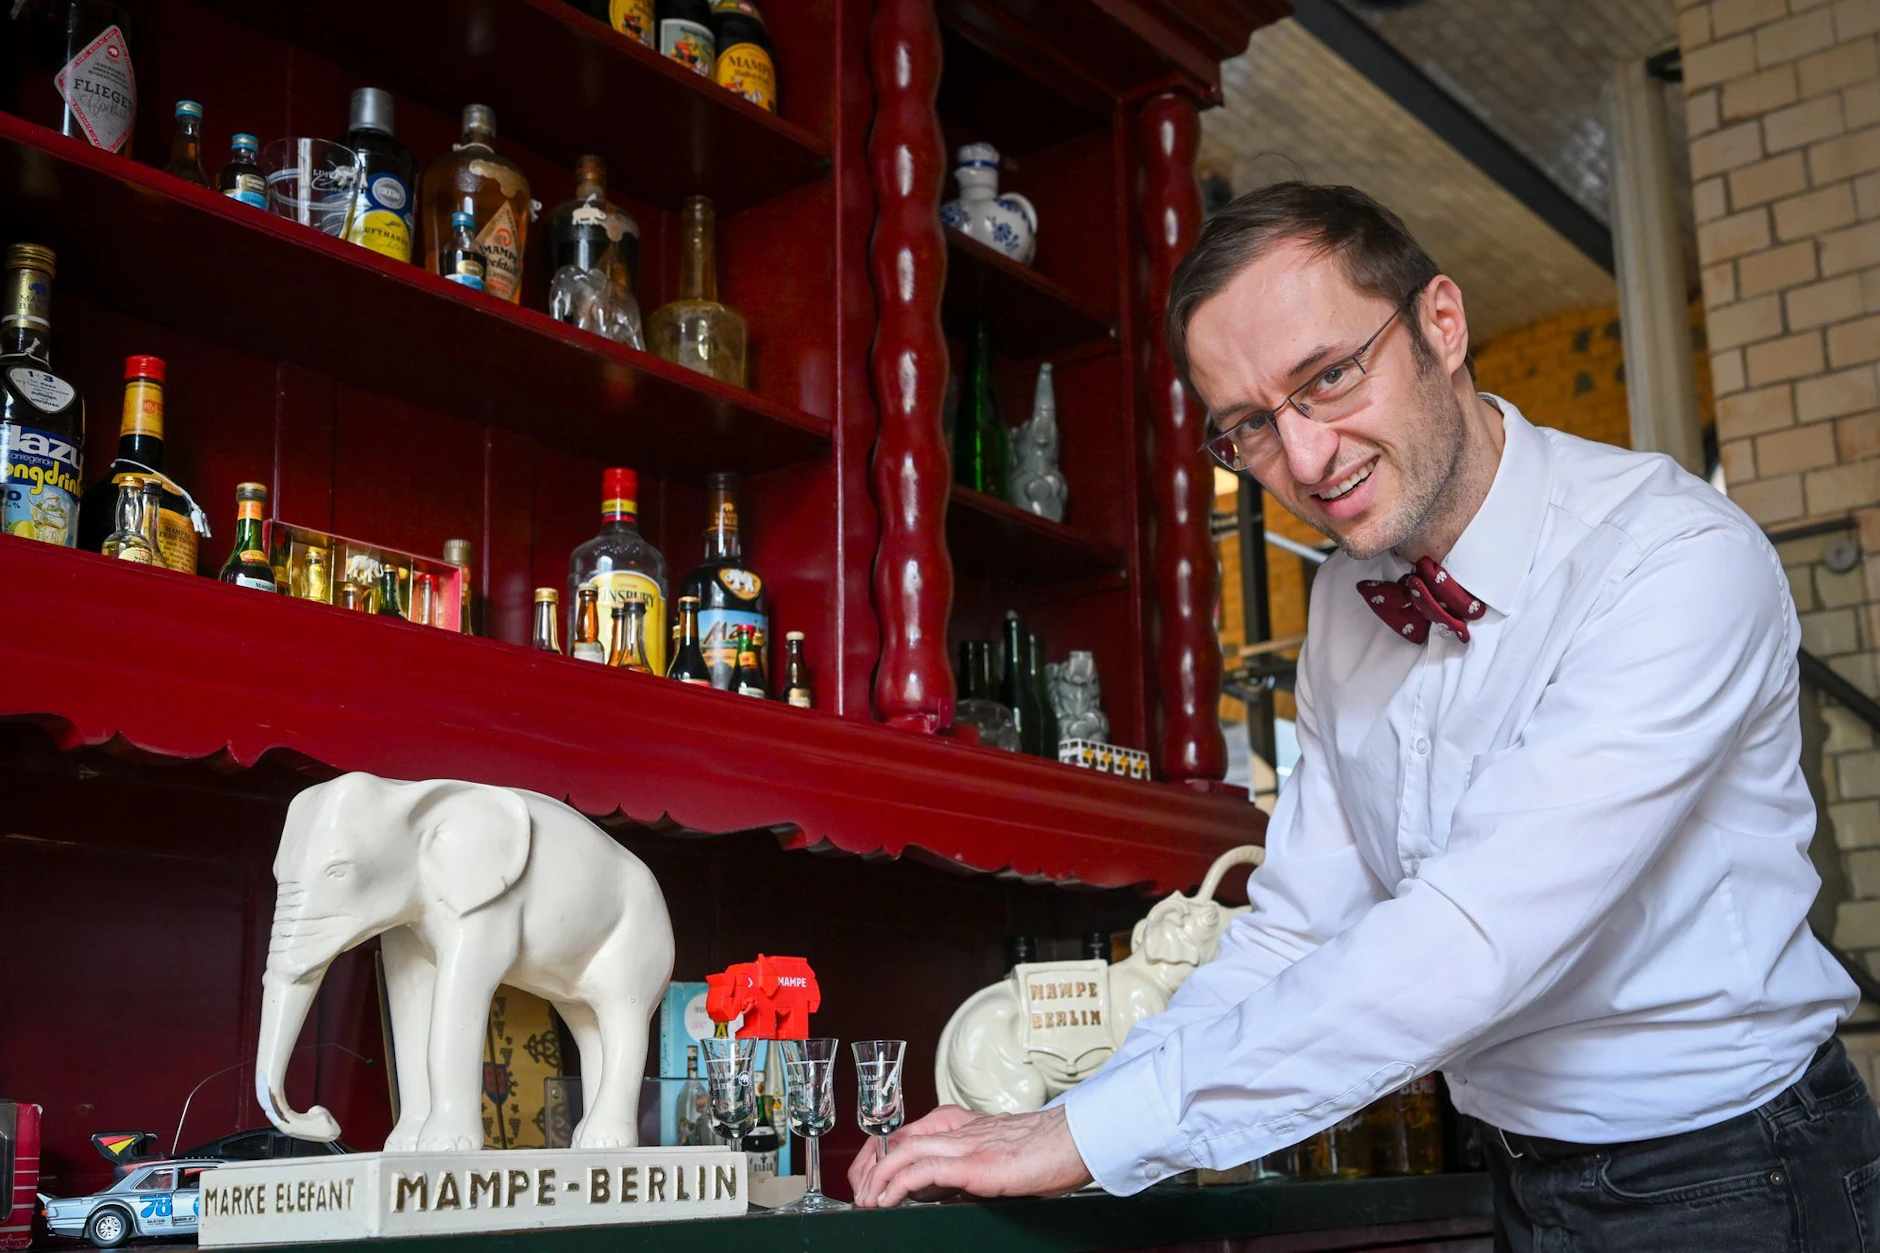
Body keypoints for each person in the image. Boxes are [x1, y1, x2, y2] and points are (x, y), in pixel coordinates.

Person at [850, 183, 1879, 1249]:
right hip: (1521, 1176)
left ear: (1440, 323)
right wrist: (1070, 1116)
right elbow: (1298, 922)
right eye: (1249, 425)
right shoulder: (1348, 602)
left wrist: (1095, 1133)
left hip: (1735, 1171)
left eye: (1327, 377)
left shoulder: (1669, 559)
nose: (1302, 461)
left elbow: (1472, 932)